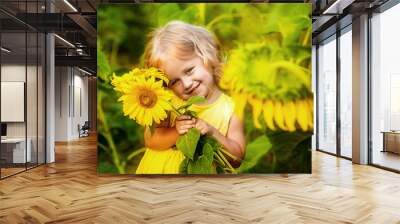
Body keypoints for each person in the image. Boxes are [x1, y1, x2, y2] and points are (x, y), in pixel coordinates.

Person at [136, 21, 245, 174]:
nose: (186, 84)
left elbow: (237, 158)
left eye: (189, 71)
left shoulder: (231, 108)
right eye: (174, 81)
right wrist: (175, 131)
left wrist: (213, 133)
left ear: (207, 56)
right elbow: (152, 141)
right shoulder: (166, 101)